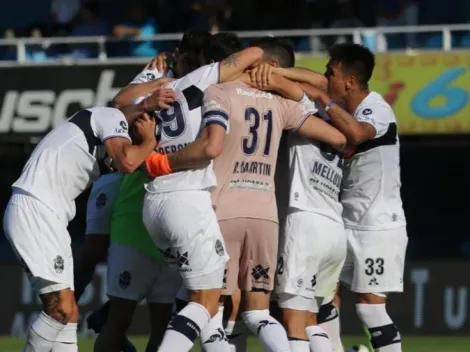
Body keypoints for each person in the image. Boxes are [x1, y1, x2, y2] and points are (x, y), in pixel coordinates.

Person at [144, 37, 347, 352]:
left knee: (212, 308)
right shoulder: (279, 104)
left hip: (223, 211)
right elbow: (337, 136)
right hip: (265, 217)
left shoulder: (217, 92)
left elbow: (212, 144)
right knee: (259, 313)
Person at [1, 93, 171, 352]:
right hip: (35, 208)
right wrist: (149, 139)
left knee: (69, 316)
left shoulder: (108, 132)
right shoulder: (110, 116)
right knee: (61, 309)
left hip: (52, 216)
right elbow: (128, 160)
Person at [141, 43, 268, 351]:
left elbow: (121, 103)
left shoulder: (155, 95)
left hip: (154, 203)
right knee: (207, 299)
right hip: (187, 200)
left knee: (203, 303)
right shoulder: (200, 81)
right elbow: (255, 53)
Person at [301, 43, 407, 352]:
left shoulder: (377, 108)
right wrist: (278, 72)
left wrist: (322, 98)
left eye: (330, 72)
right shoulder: (341, 106)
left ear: (349, 81)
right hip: (343, 220)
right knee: (322, 295)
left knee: (369, 307)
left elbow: (358, 134)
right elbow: (311, 81)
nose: (325, 77)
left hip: (377, 225)